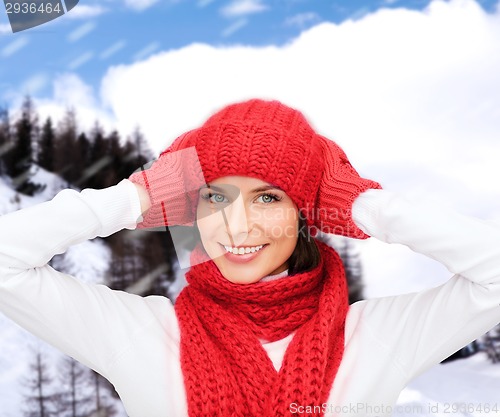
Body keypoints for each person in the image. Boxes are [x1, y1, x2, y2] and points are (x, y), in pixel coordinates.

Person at [0, 98, 499, 417]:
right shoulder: (139, 333)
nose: (237, 226)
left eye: (268, 197)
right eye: (215, 197)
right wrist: (135, 199)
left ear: (307, 211)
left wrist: (362, 203)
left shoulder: (377, 335)